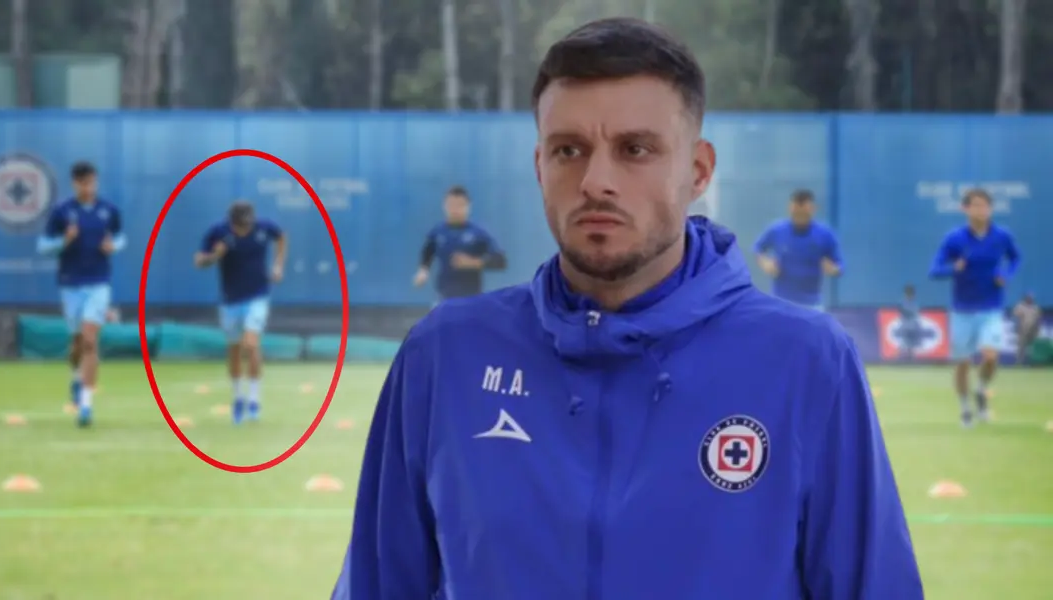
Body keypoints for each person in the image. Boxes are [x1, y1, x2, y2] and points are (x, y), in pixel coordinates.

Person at [332, 17, 922, 600]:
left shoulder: (806, 361)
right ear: (540, 167)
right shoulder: (445, 355)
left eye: (635, 149)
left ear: (698, 171)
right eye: (569, 150)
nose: (596, 181)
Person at [37, 161, 125, 428]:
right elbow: (43, 246)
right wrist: (64, 241)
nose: (88, 187)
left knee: (89, 339)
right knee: (76, 342)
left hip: (99, 282)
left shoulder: (109, 211)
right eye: (83, 183)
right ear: (74, 183)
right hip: (70, 283)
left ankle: (86, 405)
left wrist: (114, 246)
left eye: (91, 182)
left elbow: (121, 237)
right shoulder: (62, 212)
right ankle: (76, 377)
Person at [928, 188, 1020, 427]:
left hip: (991, 307)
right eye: (976, 205)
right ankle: (965, 408)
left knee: (990, 356)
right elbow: (934, 269)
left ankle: (981, 390)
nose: (981, 210)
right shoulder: (955, 239)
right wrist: (953, 268)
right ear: (965, 209)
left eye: (985, 205)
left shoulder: (1002, 236)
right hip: (962, 309)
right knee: (963, 363)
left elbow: (1015, 258)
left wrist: (1005, 274)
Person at [194, 199, 287, 423]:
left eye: (247, 224)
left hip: (257, 297)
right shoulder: (218, 232)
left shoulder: (265, 228)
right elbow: (199, 261)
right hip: (230, 300)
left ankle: (254, 399)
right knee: (235, 349)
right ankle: (238, 397)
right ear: (231, 222)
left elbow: (281, 237)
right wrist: (215, 256)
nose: (244, 229)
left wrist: (278, 265)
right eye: (239, 226)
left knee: (251, 343)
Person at [412, 185, 508, 302]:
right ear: (444, 206)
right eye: (451, 205)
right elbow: (428, 251)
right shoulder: (438, 232)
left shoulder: (478, 233)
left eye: (460, 205)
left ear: (468, 206)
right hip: (444, 298)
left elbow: (501, 261)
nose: (455, 210)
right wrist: (423, 270)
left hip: (471, 298)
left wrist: (474, 263)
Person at [753, 189, 843, 310]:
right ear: (790, 209)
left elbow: (840, 265)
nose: (800, 216)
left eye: (804, 213)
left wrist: (833, 269)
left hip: (812, 303)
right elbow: (759, 249)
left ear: (812, 209)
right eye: (796, 212)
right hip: (781, 301)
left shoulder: (825, 234)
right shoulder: (777, 230)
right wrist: (766, 263)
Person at [1011, 293, 1040, 366]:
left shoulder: (1035, 307)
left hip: (1032, 329)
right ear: (1025, 298)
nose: (1030, 299)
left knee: (1032, 346)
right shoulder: (1020, 306)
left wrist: (1037, 328)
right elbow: (1015, 316)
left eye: (1031, 298)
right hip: (1022, 329)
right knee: (1021, 346)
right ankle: (1019, 362)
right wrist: (1017, 326)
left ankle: (1032, 362)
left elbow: (1038, 318)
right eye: (1029, 298)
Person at [898, 284, 922, 361]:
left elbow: (915, 312)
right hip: (905, 325)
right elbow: (902, 311)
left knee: (912, 344)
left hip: (912, 325)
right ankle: (901, 358)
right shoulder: (902, 302)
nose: (909, 295)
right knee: (904, 342)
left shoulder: (915, 303)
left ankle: (912, 359)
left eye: (910, 293)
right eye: (907, 293)